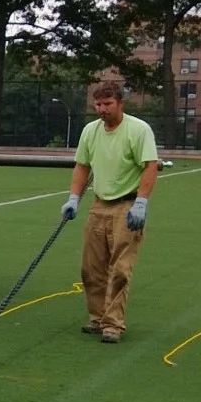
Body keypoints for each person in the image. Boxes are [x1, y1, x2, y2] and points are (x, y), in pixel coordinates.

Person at [60, 81, 159, 344]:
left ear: (120, 104)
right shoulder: (90, 131)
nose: (102, 109)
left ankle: (113, 324)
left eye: (108, 104)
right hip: (99, 204)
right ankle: (97, 317)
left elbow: (150, 166)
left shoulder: (138, 130)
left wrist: (141, 203)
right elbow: (82, 166)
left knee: (121, 270)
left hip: (127, 206)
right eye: (99, 104)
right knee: (90, 268)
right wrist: (73, 199)